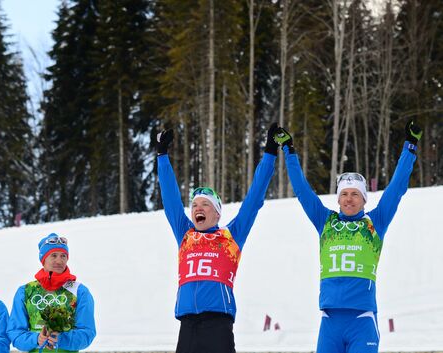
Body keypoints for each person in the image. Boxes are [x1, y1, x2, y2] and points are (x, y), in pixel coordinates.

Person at [274, 120, 423, 353]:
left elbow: (396, 188)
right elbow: (303, 191)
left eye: (355, 194)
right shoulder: (326, 222)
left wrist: (410, 147)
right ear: (338, 198)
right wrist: (289, 150)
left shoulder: (374, 222)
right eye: (344, 194)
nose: (349, 198)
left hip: (362, 321)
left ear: (364, 198)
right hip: (330, 321)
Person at [156, 124, 278, 353]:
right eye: (194, 205)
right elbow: (170, 198)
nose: (197, 208)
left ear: (217, 213)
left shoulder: (230, 236)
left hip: (218, 325)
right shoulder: (185, 234)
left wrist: (270, 152)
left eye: (204, 204)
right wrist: (162, 156)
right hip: (188, 326)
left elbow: (254, 198)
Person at [7, 233, 96, 352]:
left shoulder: (79, 291)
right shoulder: (25, 291)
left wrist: (62, 339)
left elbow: (87, 333)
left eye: (63, 256)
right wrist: (37, 339)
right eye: (53, 255)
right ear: (43, 260)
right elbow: (15, 333)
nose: (59, 261)